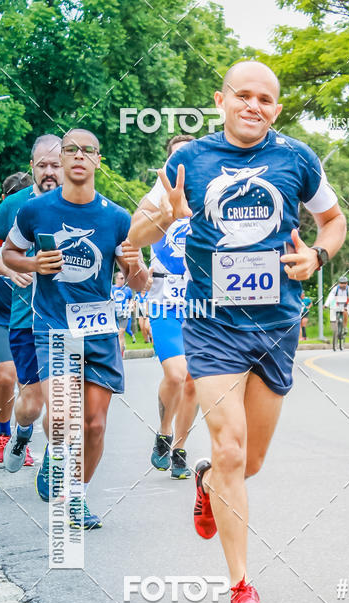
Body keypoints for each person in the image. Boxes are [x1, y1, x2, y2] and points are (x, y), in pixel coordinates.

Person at [128, 59, 346, 603]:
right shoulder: (188, 161)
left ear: (276, 108)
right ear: (220, 100)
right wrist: (168, 217)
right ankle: (240, 587)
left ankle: (205, 482)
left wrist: (316, 256)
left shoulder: (297, 158)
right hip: (212, 325)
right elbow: (137, 233)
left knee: (247, 462)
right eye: (243, 95)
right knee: (227, 448)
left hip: (277, 325)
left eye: (266, 99)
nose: (254, 106)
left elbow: (334, 221)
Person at [2, 128, 148, 528]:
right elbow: (7, 252)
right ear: (61, 159)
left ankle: (77, 497)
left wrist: (134, 264)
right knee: (65, 417)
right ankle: (61, 476)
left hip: (99, 331)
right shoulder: (35, 211)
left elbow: (140, 283)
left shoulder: (117, 217)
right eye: (71, 151)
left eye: (88, 151)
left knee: (95, 424)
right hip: (53, 326)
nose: (79, 156)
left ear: (98, 160)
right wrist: (33, 265)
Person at [0, 138, 63, 472]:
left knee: (63, 403)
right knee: (32, 403)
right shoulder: (14, 205)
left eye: (55, 165)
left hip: (69, 321)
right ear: (32, 166)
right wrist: (10, 271)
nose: (49, 172)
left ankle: (56, 471)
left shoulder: (86, 203)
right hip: (25, 318)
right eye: (42, 165)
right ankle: (20, 432)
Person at [136, 136, 198, 480]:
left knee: (193, 380)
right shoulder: (156, 195)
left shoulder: (210, 194)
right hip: (163, 301)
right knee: (175, 374)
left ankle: (181, 448)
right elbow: (131, 236)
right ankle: (164, 431)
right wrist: (139, 269)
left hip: (202, 303)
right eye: (176, 156)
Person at [0, 172, 33, 462]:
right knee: (4, 376)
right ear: (4, 201)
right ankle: (3, 432)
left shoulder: (38, 224)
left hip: (31, 316)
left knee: (28, 385)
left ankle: (23, 435)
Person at [326, 275, 349, 341]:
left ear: (347, 283)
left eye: (344, 283)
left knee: (345, 312)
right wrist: (326, 305)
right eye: (341, 283)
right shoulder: (335, 289)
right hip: (337, 303)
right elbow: (330, 296)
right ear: (339, 283)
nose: (343, 285)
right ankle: (335, 327)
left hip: (345, 304)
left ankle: (345, 327)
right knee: (332, 312)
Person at [111, 270, 133, 357]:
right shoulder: (111, 288)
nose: (123, 280)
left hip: (124, 314)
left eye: (124, 278)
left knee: (121, 332)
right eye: (121, 278)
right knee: (114, 334)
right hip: (113, 314)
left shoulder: (127, 290)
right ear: (116, 279)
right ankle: (120, 347)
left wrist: (131, 305)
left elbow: (131, 299)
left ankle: (120, 355)